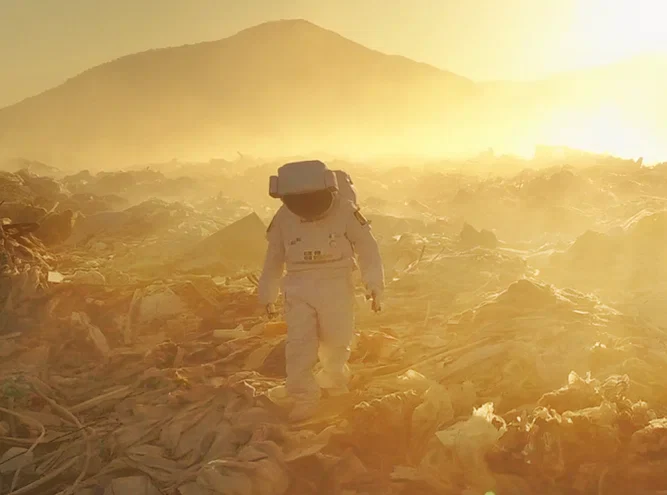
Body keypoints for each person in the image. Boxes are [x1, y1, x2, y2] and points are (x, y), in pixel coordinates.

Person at [258, 160, 384, 422]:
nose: (305, 206)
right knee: (299, 345)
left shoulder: (345, 211)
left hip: (336, 284)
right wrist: (267, 294)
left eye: (311, 199)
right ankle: (303, 395)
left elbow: (367, 248)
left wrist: (373, 283)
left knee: (337, 341)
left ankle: (333, 379)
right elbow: (274, 258)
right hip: (298, 286)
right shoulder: (284, 217)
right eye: (298, 200)